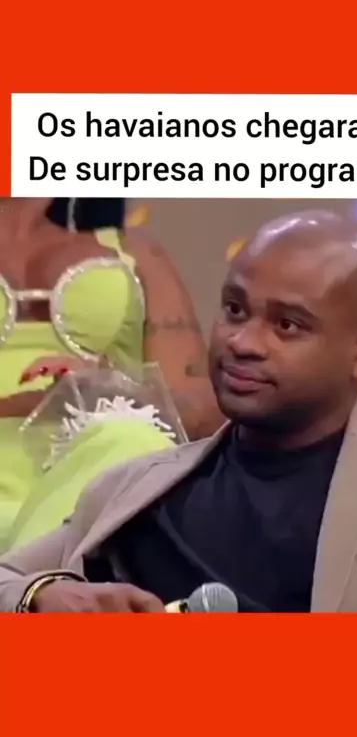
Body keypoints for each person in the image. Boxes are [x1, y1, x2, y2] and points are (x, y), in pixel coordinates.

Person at [1, 209, 357, 613]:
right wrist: (41, 594)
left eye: (287, 325)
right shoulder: (132, 488)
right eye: (234, 309)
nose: (243, 342)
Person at [0, 197, 223, 543]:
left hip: (96, 473)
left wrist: (104, 390)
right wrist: (24, 403)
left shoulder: (136, 253)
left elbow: (203, 414)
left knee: (134, 439)